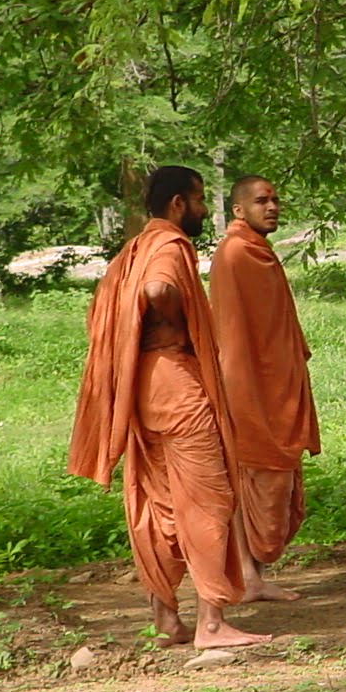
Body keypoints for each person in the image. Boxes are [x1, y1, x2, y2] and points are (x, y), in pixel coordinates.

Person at [68, 165, 270, 649]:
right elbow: (157, 290)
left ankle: (166, 619)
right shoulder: (168, 246)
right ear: (179, 203)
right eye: (199, 201)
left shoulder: (130, 250)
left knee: (158, 501)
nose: (202, 210)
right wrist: (180, 322)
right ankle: (213, 624)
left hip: (139, 389)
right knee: (209, 499)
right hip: (175, 385)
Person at [209, 175, 320, 601]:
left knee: (272, 481)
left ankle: (251, 574)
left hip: (277, 386)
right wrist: (239, 393)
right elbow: (233, 334)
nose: (272, 207)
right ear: (238, 210)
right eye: (261, 201)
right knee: (249, 478)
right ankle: (247, 576)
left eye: (274, 200)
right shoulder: (236, 253)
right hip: (249, 389)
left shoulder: (258, 251)